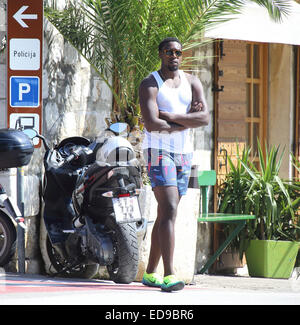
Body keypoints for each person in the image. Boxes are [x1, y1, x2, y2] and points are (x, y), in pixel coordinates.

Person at [139, 37, 209, 292]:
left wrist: (171, 116)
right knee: (168, 208)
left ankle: (149, 273)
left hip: (185, 154)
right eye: (169, 51)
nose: (174, 56)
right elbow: (151, 123)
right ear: (160, 54)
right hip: (158, 151)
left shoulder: (192, 82)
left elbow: (204, 118)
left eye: (178, 52)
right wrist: (186, 120)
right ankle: (169, 275)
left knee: (165, 213)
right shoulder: (150, 83)